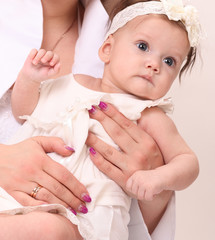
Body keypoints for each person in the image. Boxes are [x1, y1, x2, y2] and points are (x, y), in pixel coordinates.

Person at [3, 0, 200, 239]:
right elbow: (24, 111)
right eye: (142, 46)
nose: (154, 64)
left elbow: (187, 162)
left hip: (83, 217)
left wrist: (157, 179)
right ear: (107, 49)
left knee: (48, 229)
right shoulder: (72, 83)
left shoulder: (147, 113)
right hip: (14, 199)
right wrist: (29, 80)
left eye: (169, 61)